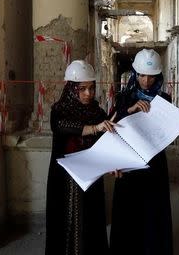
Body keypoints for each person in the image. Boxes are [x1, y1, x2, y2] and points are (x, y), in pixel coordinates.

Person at [45, 60, 115, 255]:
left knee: (91, 222)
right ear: (71, 88)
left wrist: (113, 162)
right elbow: (62, 126)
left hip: (91, 176)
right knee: (68, 224)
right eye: (82, 89)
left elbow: (106, 143)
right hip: (67, 180)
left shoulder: (97, 111)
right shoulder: (59, 110)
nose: (88, 93)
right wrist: (95, 128)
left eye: (91, 88)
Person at [110, 49, 173, 255]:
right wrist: (130, 110)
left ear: (158, 76)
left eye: (151, 75)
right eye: (142, 75)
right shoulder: (123, 98)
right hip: (128, 161)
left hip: (154, 163)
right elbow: (112, 128)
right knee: (128, 211)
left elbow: (165, 129)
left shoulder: (164, 99)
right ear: (135, 74)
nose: (146, 81)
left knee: (153, 211)